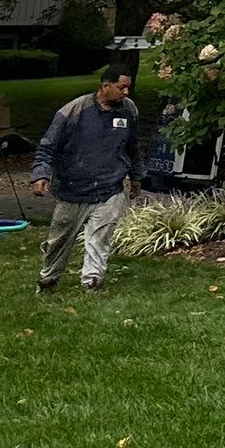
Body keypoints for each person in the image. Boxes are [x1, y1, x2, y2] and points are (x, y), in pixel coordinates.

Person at [31, 68, 144, 294]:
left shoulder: (128, 110)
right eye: (121, 87)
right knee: (59, 241)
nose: (126, 92)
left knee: (100, 239)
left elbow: (133, 147)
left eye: (128, 87)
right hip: (72, 189)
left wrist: (137, 176)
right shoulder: (73, 110)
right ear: (105, 86)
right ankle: (48, 280)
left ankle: (92, 283)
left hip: (110, 188)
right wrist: (40, 174)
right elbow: (47, 146)